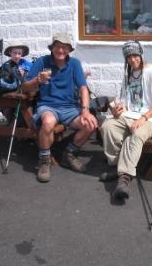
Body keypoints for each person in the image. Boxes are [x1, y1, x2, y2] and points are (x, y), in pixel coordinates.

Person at [21, 33, 98, 183]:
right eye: (57, 47)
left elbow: (83, 88)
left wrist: (85, 110)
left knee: (91, 124)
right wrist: (37, 80)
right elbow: (24, 86)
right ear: (52, 48)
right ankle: (44, 161)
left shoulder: (74, 63)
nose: (61, 50)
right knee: (48, 122)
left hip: (70, 107)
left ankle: (68, 154)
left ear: (69, 50)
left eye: (64, 47)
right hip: (48, 106)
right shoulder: (43, 62)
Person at [100, 40, 152, 201]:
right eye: (129, 57)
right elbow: (124, 100)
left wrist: (143, 118)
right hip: (131, 115)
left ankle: (124, 179)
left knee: (136, 135)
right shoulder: (128, 75)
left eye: (135, 55)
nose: (132, 59)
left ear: (141, 54)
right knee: (107, 126)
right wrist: (119, 107)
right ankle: (117, 165)